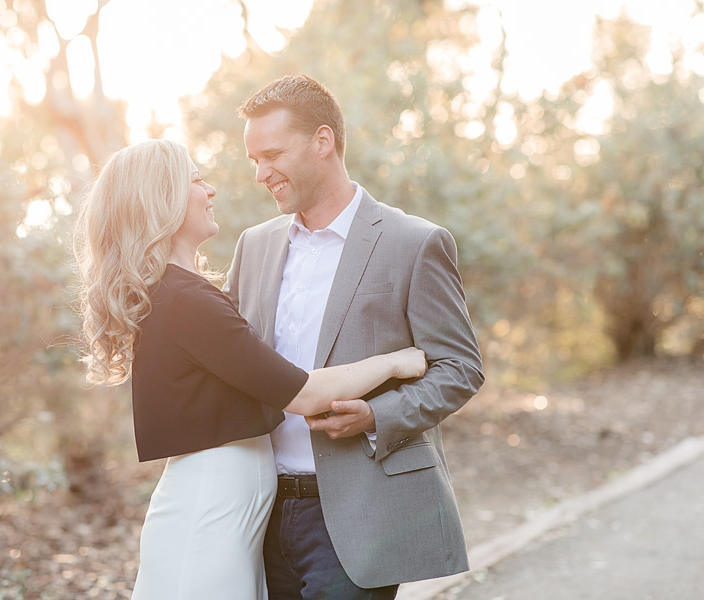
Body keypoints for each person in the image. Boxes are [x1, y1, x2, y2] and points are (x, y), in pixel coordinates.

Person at [73, 139, 429, 600]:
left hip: (226, 508)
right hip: (210, 509)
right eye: (197, 179)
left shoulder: (178, 292)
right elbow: (303, 394)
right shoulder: (184, 300)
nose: (211, 189)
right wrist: (397, 359)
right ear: (163, 198)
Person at [224, 74, 485, 599]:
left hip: (358, 513)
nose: (260, 173)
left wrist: (376, 416)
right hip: (257, 510)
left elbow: (460, 368)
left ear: (323, 141)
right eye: (254, 160)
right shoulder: (254, 246)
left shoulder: (414, 242)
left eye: (271, 154)